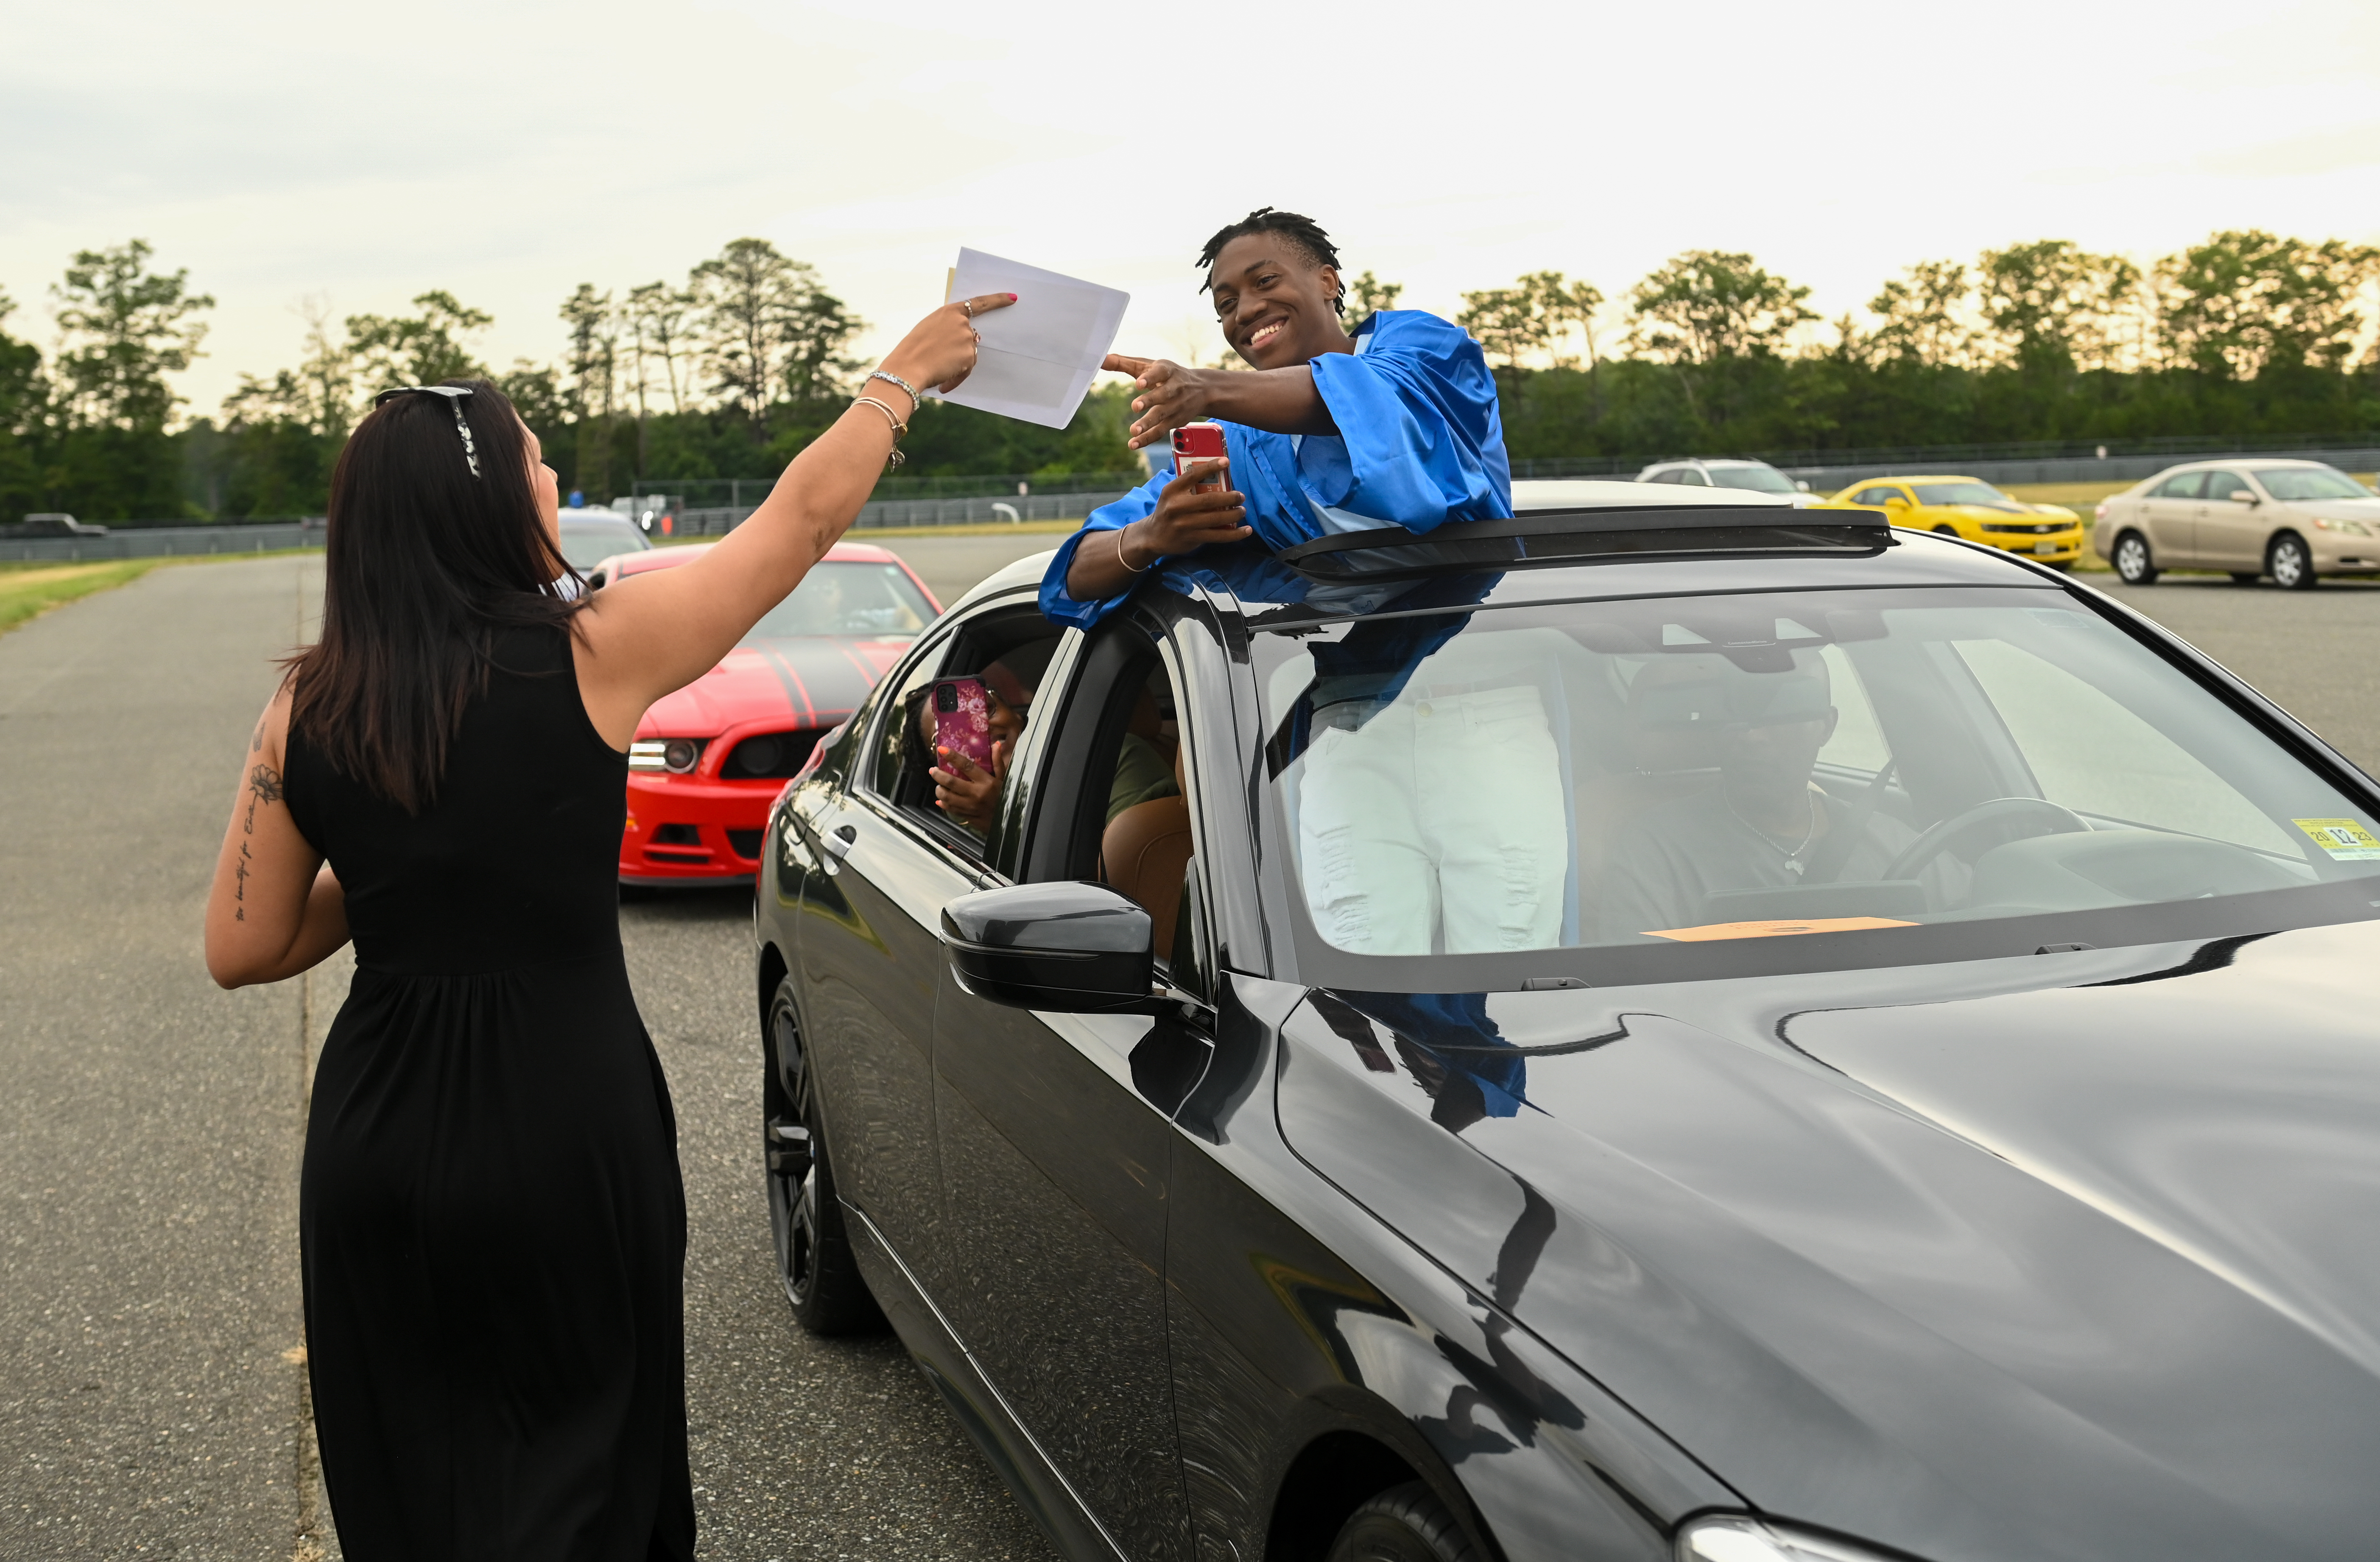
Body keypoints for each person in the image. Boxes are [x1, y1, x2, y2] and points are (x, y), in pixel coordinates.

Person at [201, 290, 1011, 1562]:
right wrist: (897, 379)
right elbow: (795, 526)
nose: (553, 476)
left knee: (412, 1461)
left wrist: (407, 861)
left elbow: (241, 947)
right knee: (587, 1448)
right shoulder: (596, 646)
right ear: (481, 500)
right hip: (560, 1116)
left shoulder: (307, 707)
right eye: (535, 461)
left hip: (380, 1130)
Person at [1039, 208, 1510, 629]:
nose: (1245, 311)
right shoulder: (1233, 447)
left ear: (1327, 281)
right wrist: (1151, 535)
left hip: (1488, 669)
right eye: (1225, 305)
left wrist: (1208, 388)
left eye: (1264, 281)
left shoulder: (1426, 349)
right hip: (1355, 702)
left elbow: (1369, 397)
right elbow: (1074, 576)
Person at [1598, 653, 1966, 939]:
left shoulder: (1895, 843)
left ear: (1826, 726)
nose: (1752, 735)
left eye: (1781, 709)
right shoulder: (1654, 847)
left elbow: (1983, 916)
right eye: (1737, 713)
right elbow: (1642, 987)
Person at [926, 647, 1177, 833]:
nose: (981, 730)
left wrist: (1004, 820)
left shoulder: (1110, 760)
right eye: (949, 737)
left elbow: (1136, 886)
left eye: (985, 709)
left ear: (1015, 713)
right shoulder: (962, 812)